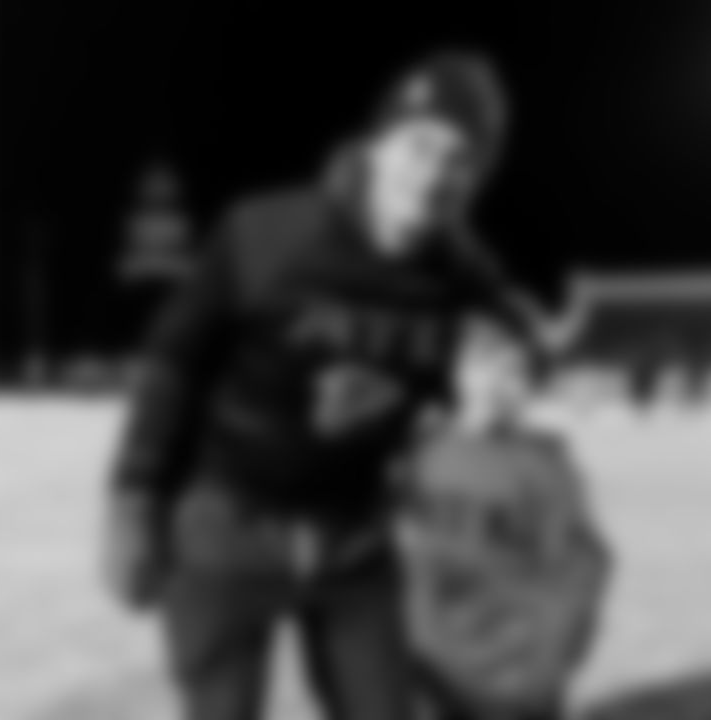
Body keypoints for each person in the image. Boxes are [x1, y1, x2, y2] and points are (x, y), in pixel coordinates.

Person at [103, 50, 546, 720]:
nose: (433, 174)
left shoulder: (464, 281)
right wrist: (135, 496)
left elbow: (522, 349)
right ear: (377, 146)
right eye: (418, 145)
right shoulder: (266, 234)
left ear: (477, 177)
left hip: (354, 538)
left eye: (460, 158)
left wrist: (499, 387)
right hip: (228, 524)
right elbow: (174, 360)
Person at [396, 316, 612, 720]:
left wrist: (550, 648)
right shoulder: (416, 456)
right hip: (429, 658)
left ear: (526, 386)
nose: (496, 384)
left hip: (514, 662)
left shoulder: (545, 465)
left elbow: (580, 564)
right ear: (456, 374)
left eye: (512, 371)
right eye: (483, 366)